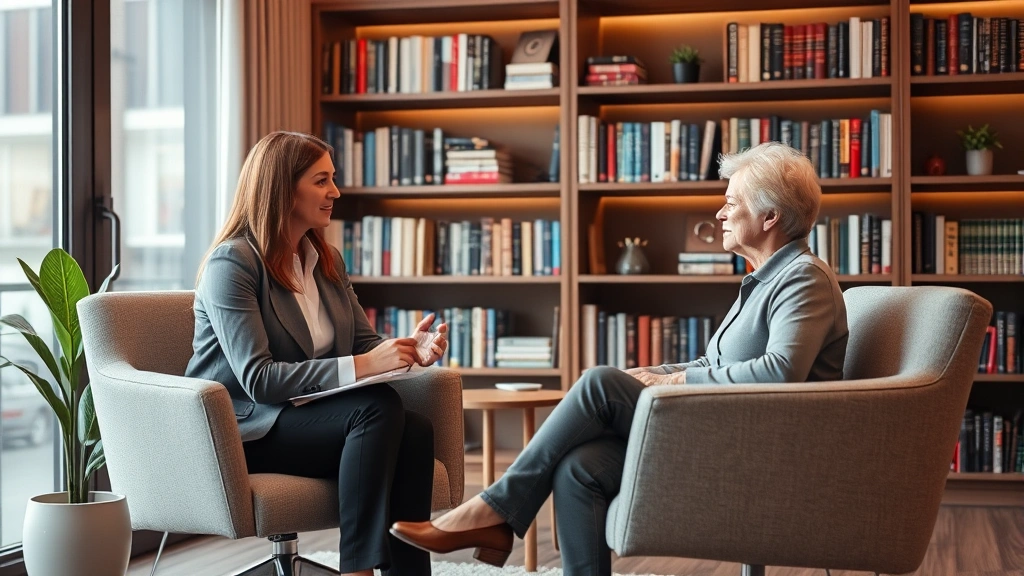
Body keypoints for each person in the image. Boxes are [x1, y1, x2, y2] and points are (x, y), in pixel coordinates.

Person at [390, 141, 850, 574]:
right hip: (726, 429)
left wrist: (668, 385)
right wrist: (652, 374)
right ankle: (496, 513)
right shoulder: (764, 280)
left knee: (597, 383)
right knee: (580, 467)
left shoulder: (802, 278)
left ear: (770, 215)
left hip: (758, 452)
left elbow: (780, 372)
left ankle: (494, 509)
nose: (719, 212)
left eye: (732, 202)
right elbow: (713, 366)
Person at [185, 131, 448, 576]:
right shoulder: (232, 265)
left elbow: (361, 344)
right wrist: (367, 365)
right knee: (377, 409)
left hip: (309, 417)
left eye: (333, 179)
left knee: (416, 428)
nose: (336, 192)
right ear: (284, 188)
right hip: (244, 428)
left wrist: (405, 350)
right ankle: (358, 570)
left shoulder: (325, 260)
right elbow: (260, 380)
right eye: (321, 180)